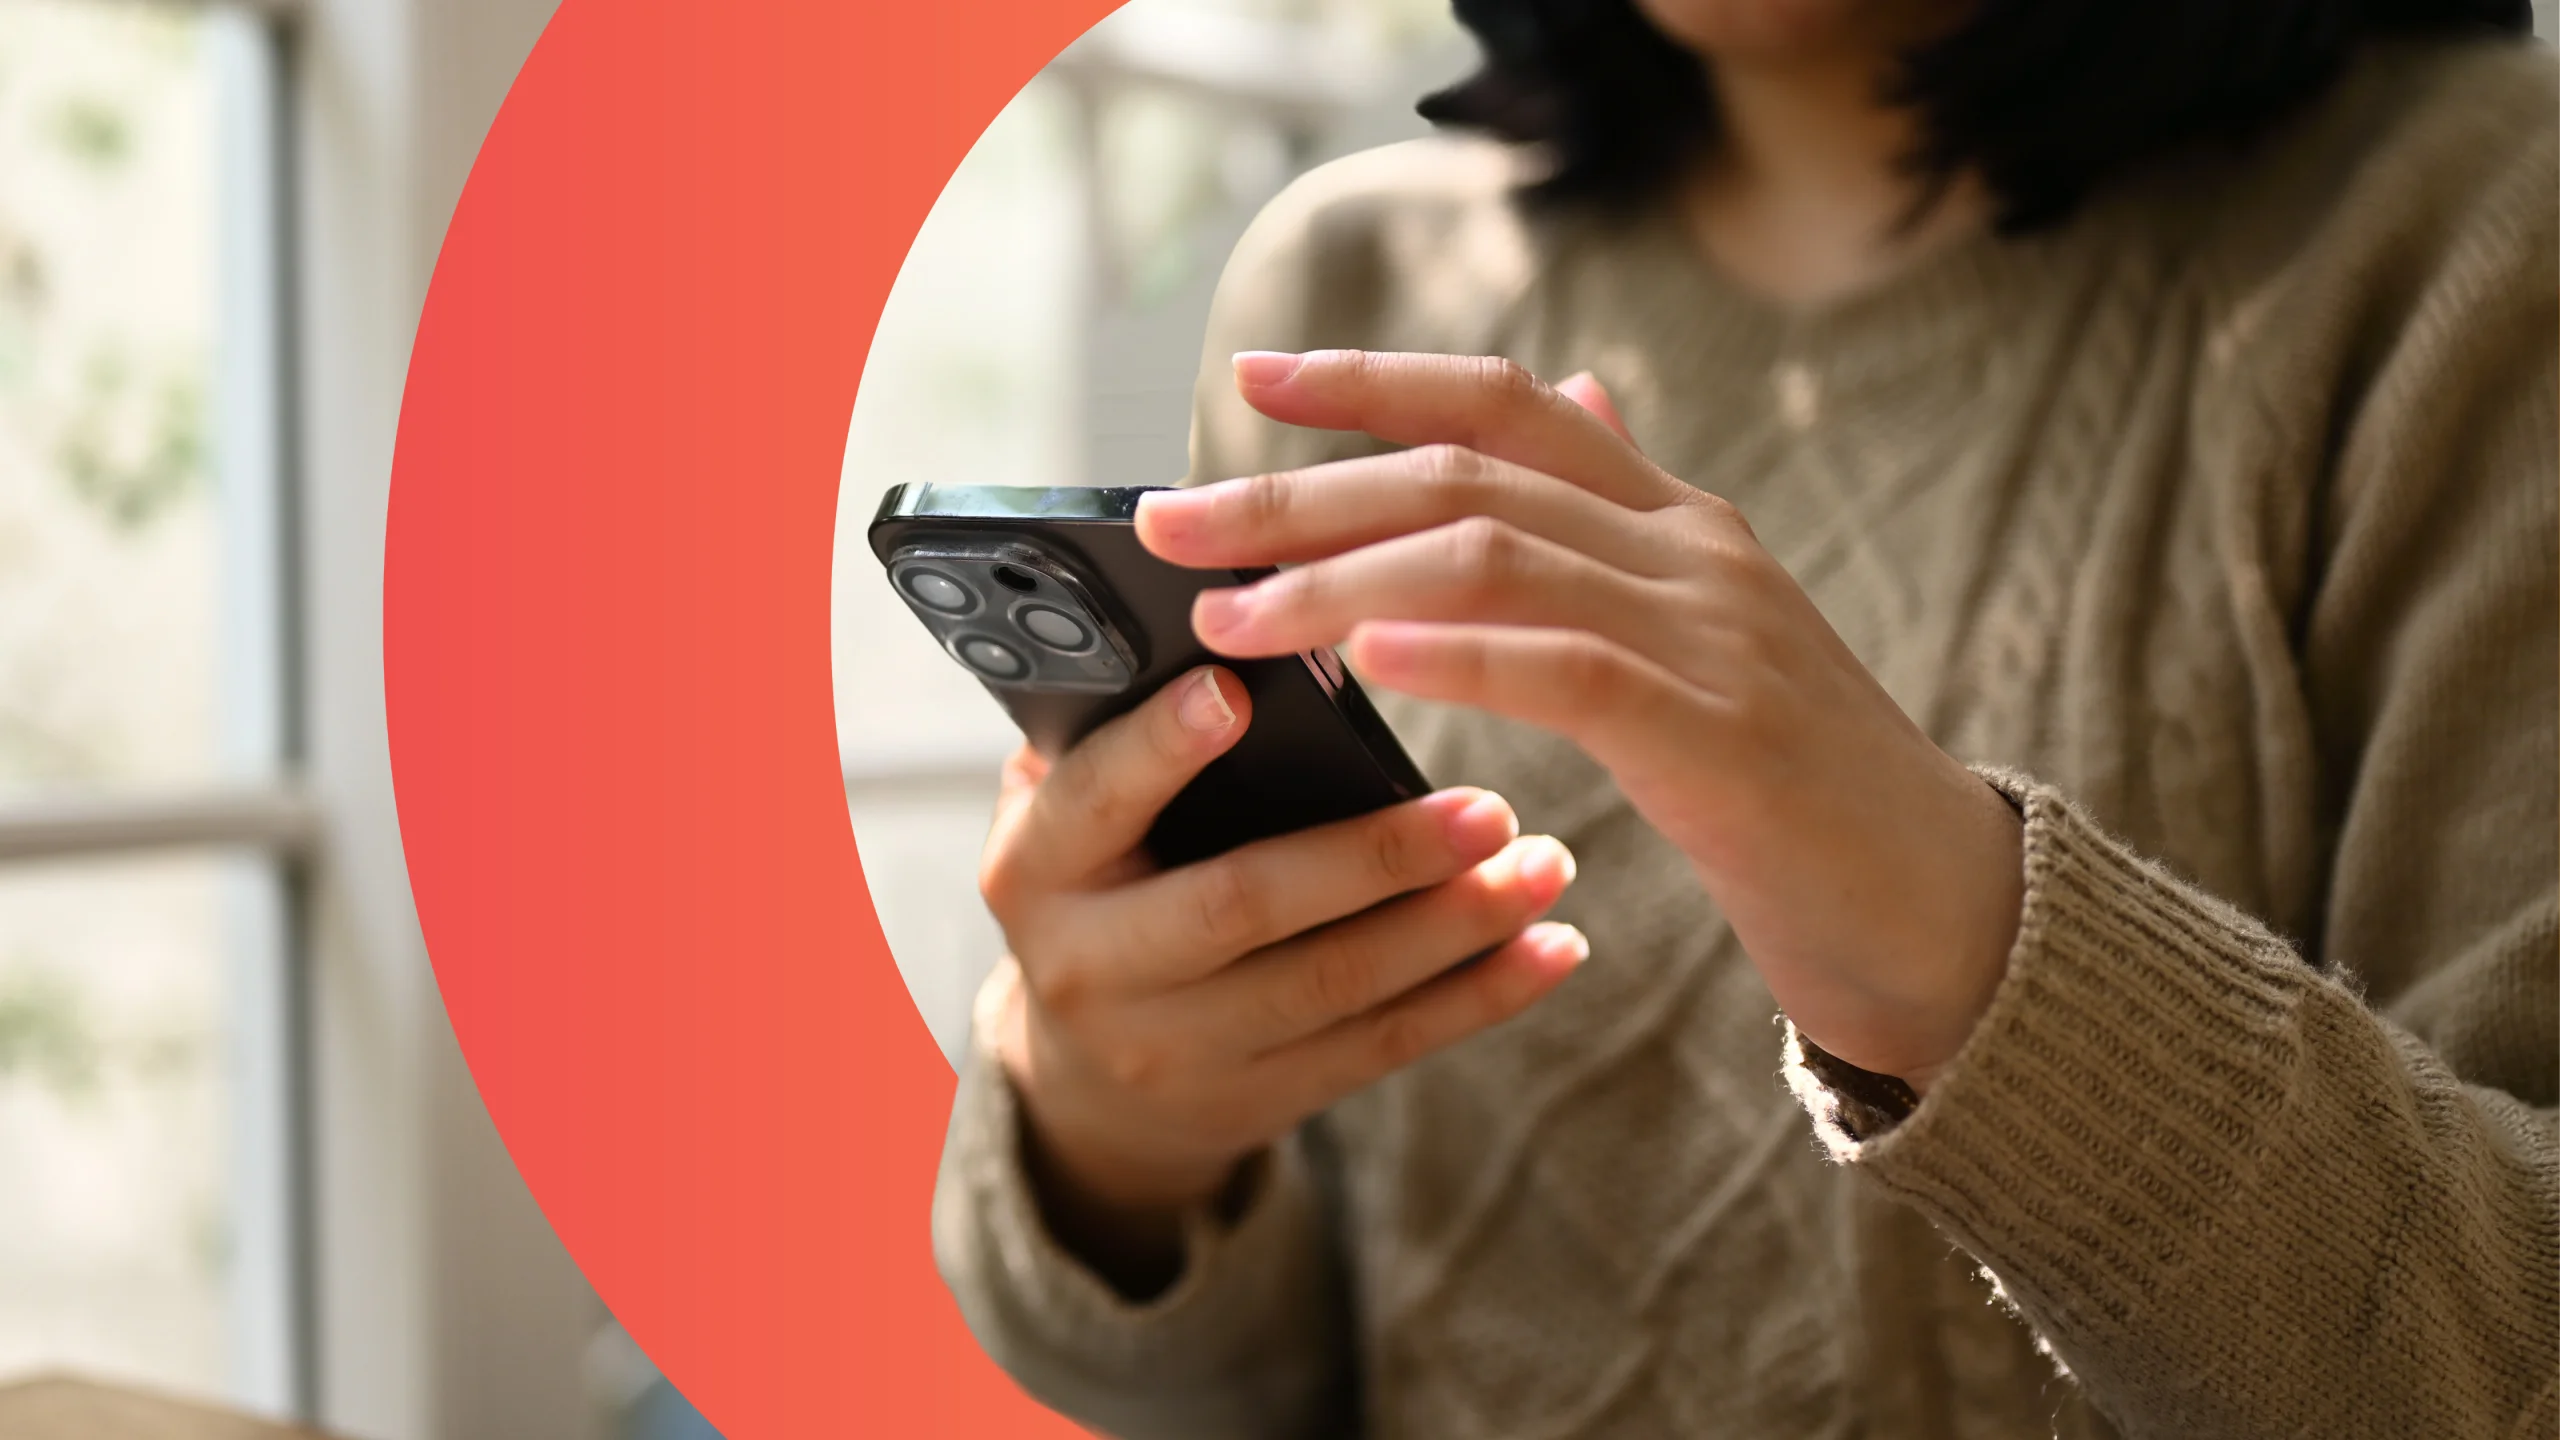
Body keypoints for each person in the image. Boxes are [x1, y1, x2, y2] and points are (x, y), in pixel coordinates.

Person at [932, 0, 2559, 1434]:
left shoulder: (2478, 232)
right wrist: (1119, 1149)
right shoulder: (1347, 287)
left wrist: (1971, 948)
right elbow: (1277, 1378)